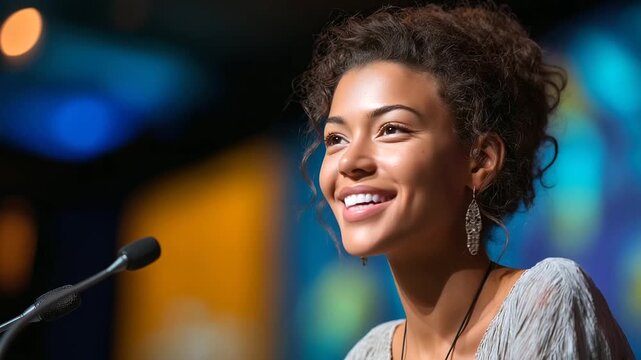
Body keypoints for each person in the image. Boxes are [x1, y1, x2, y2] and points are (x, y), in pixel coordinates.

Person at [292, 2, 636, 359]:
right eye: (336, 139)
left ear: (480, 160)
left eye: (391, 129)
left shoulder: (546, 298)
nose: (350, 161)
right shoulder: (367, 353)